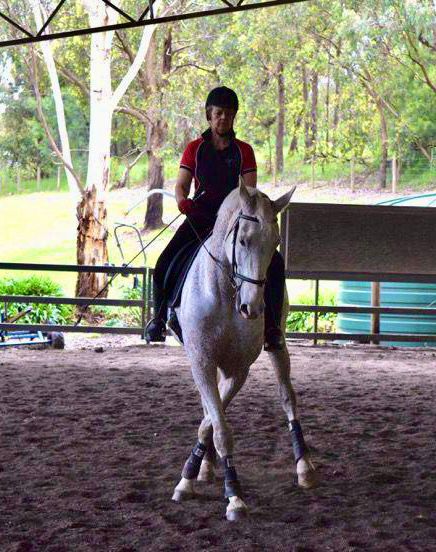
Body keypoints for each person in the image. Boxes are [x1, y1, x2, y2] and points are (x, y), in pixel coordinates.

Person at [145, 86, 286, 351]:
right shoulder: (194, 149)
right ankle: (159, 318)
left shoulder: (244, 151)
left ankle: (272, 328)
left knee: (275, 264)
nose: (223, 118)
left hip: (234, 222)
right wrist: (181, 202)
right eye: (219, 113)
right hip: (200, 216)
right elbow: (181, 186)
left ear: (234, 118)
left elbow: (250, 193)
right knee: (165, 262)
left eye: (229, 114)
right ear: (209, 115)